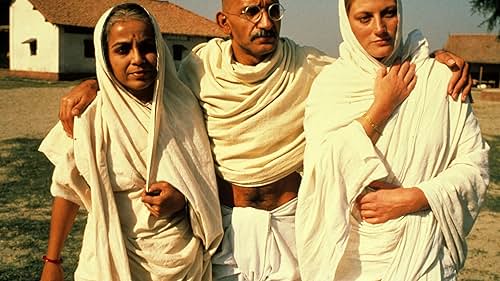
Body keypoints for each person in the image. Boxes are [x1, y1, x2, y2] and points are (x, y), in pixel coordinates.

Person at [57, 1, 474, 280]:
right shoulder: (200, 71)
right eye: (251, 11)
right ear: (224, 23)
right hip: (230, 223)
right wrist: (96, 82)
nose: (265, 21)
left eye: (273, 9)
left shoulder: (310, 66)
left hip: (293, 221)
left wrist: (430, 57)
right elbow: (151, 86)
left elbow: (365, 71)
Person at [295, 0, 490, 280]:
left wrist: (414, 197)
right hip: (355, 260)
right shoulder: (330, 87)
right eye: (365, 18)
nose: (380, 28)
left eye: (388, 13)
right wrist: (383, 106)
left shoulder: (439, 79)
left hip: (425, 255)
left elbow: (475, 166)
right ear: (346, 21)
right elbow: (320, 172)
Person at [39, 3, 222, 281]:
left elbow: (206, 182)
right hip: (110, 259)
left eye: (147, 47)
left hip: (182, 263)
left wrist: (183, 201)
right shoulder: (91, 115)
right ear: (105, 56)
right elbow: (66, 189)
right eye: (122, 49)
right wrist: (52, 261)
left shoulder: (184, 107)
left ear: (159, 50)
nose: (138, 58)